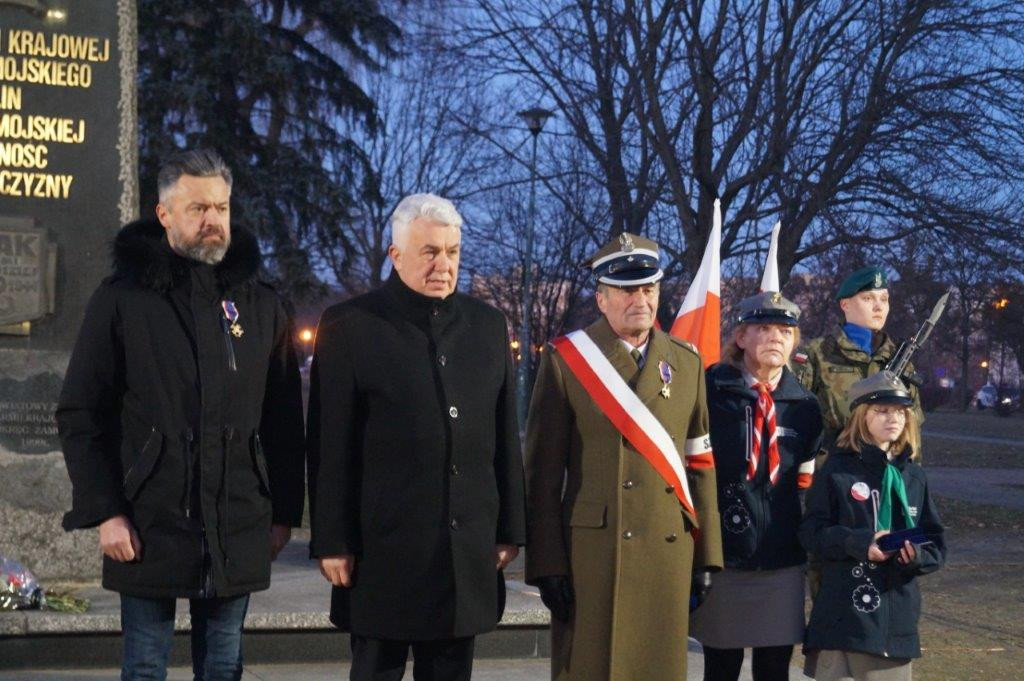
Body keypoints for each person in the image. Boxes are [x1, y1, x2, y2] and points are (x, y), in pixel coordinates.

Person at [57, 148, 305, 680]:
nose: (213, 220)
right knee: (145, 666)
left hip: (237, 520)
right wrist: (106, 511)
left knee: (223, 665)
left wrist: (283, 510)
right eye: (197, 209)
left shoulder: (262, 305)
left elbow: (284, 420)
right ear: (164, 213)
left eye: (221, 207)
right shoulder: (121, 299)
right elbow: (81, 412)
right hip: (146, 520)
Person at [307, 193, 526, 681]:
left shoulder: (487, 327)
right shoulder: (349, 326)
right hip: (381, 551)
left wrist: (509, 528)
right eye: (429, 252)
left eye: (452, 252)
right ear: (396, 255)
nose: (442, 265)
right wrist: (332, 540)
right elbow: (329, 445)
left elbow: (504, 439)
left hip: (462, 549)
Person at [524, 233, 723, 681]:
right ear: (601, 297)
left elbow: (701, 465)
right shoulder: (567, 359)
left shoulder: (687, 362)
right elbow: (540, 477)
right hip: (591, 555)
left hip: (666, 551)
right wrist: (547, 564)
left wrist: (708, 556)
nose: (641, 299)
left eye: (649, 287)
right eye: (627, 289)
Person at [690, 292, 823, 681]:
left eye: (785, 331)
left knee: (774, 670)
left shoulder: (805, 406)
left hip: (782, 560)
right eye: (764, 328)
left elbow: (806, 480)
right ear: (741, 337)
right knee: (722, 668)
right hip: (726, 556)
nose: (776, 338)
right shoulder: (710, 392)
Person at [800, 372, 945, 681]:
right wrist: (858, 542)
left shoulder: (913, 476)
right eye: (881, 410)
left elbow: (934, 541)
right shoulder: (837, 470)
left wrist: (915, 555)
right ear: (861, 416)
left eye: (900, 412)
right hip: (843, 616)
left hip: (894, 621)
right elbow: (812, 532)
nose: (892, 418)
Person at [795, 266, 925, 455]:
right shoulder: (816, 354)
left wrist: (911, 477)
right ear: (845, 305)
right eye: (868, 298)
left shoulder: (900, 359)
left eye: (884, 299)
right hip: (831, 473)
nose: (878, 306)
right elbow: (797, 422)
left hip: (885, 475)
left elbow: (913, 428)